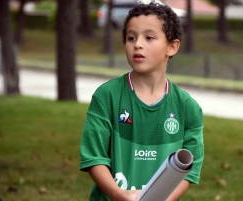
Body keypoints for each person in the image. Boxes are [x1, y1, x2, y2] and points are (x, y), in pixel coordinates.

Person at [79, 1, 204, 201]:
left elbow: (189, 170)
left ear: (172, 46)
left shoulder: (188, 108)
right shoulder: (106, 96)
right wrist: (118, 194)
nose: (137, 44)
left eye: (149, 37)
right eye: (131, 38)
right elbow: (94, 158)